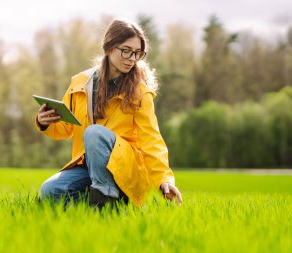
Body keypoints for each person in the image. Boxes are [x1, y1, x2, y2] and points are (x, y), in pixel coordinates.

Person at [36, 19, 182, 209]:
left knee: (94, 132)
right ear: (109, 47)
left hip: (125, 168)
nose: (132, 58)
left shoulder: (140, 92)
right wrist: (45, 122)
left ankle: (105, 199)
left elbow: (151, 139)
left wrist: (164, 179)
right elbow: (66, 129)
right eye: (126, 50)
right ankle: (106, 199)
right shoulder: (80, 83)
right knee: (49, 192)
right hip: (88, 165)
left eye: (138, 53)